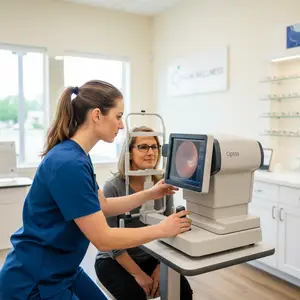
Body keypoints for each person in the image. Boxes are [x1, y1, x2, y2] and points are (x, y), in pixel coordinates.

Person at [0, 80, 191, 300]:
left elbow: (103, 205)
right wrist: (162, 229)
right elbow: (103, 239)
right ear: (97, 115)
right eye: (118, 117)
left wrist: (150, 193)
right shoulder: (68, 163)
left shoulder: (79, 156)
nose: (121, 126)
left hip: (62, 269)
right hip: (35, 279)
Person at [95, 126, 193, 300]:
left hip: (153, 256)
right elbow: (111, 244)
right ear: (129, 152)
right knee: (135, 296)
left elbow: (169, 229)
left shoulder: (162, 185)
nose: (150, 152)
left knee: (183, 292)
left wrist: (161, 266)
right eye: (143, 147)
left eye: (154, 147)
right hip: (115, 259)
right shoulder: (114, 187)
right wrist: (138, 275)